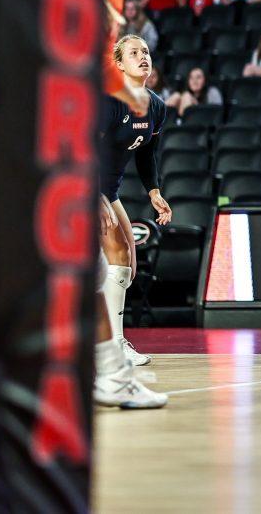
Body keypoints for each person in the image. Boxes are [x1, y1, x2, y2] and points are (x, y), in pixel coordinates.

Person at [98, 35, 173, 373]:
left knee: (127, 265)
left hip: (108, 190)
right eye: (133, 53)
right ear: (119, 64)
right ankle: (110, 347)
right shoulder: (110, 102)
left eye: (145, 51)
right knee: (116, 257)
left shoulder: (156, 106)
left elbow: (146, 153)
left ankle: (112, 342)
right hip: (86, 188)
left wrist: (154, 191)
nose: (143, 56)